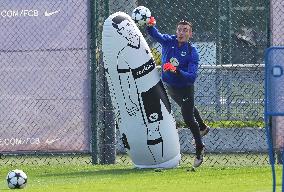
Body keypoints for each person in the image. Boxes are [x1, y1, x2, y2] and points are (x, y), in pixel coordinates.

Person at [146, 17, 209, 167]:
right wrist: (149, 26)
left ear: (190, 34)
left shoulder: (192, 52)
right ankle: (203, 127)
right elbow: (156, 35)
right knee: (187, 107)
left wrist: (177, 71)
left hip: (185, 88)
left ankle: (199, 148)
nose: (181, 32)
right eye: (179, 29)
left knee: (187, 116)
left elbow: (192, 77)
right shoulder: (169, 41)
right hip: (170, 87)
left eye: (185, 30)